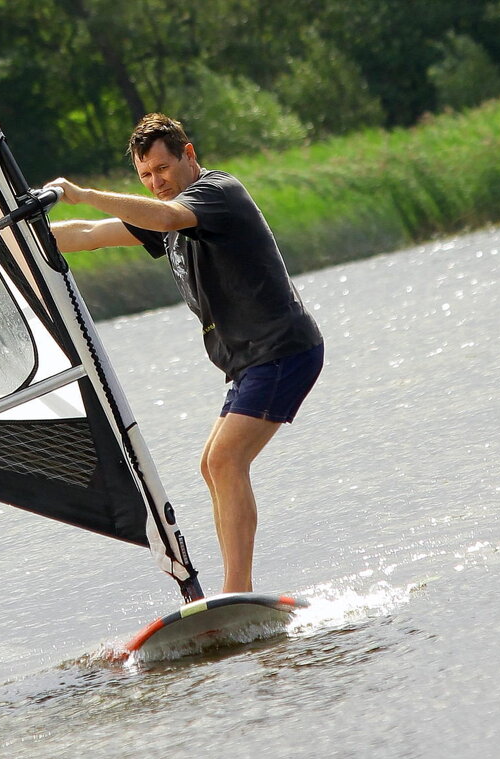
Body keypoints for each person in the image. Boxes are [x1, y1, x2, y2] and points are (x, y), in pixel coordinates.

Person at [46, 113, 323, 594]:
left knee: (224, 461)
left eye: (162, 169)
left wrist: (85, 191)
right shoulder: (164, 210)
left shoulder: (216, 194)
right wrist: (16, 232)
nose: (156, 183)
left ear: (188, 155)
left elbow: (169, 216)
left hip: (283, 349)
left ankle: (237, 592)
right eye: (146, 176)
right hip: (248, 361)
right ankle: (236, 592)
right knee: (211, 465)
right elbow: (89, 236)